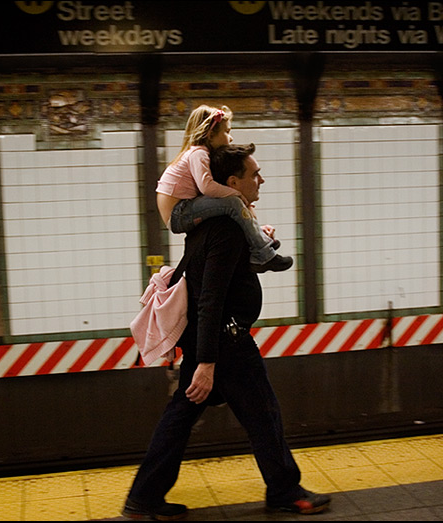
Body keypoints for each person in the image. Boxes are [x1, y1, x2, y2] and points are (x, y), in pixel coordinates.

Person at [122, 144, 330, 520]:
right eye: (254, 174)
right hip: (226, 344)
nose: (260, 179)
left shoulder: (213, 226)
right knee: (263, 415)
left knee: (180, 417)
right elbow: (210, 298)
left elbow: (225, 276)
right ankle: (285, 490)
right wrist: (206, 363)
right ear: (232, 182)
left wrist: (263, 242)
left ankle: (144, 497)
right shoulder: (225, 230)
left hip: (213, 342)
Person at [156, 104, 292, 273]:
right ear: (211, 134)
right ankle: (263, 254)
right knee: (232, 203)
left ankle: (260, 239)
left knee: (233, 204)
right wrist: (237, 194)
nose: (230, 138)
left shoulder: (199, 154)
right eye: (227, 132)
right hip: (179, 213)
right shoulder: (198, 153)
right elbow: (207, 187)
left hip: (182, 210)